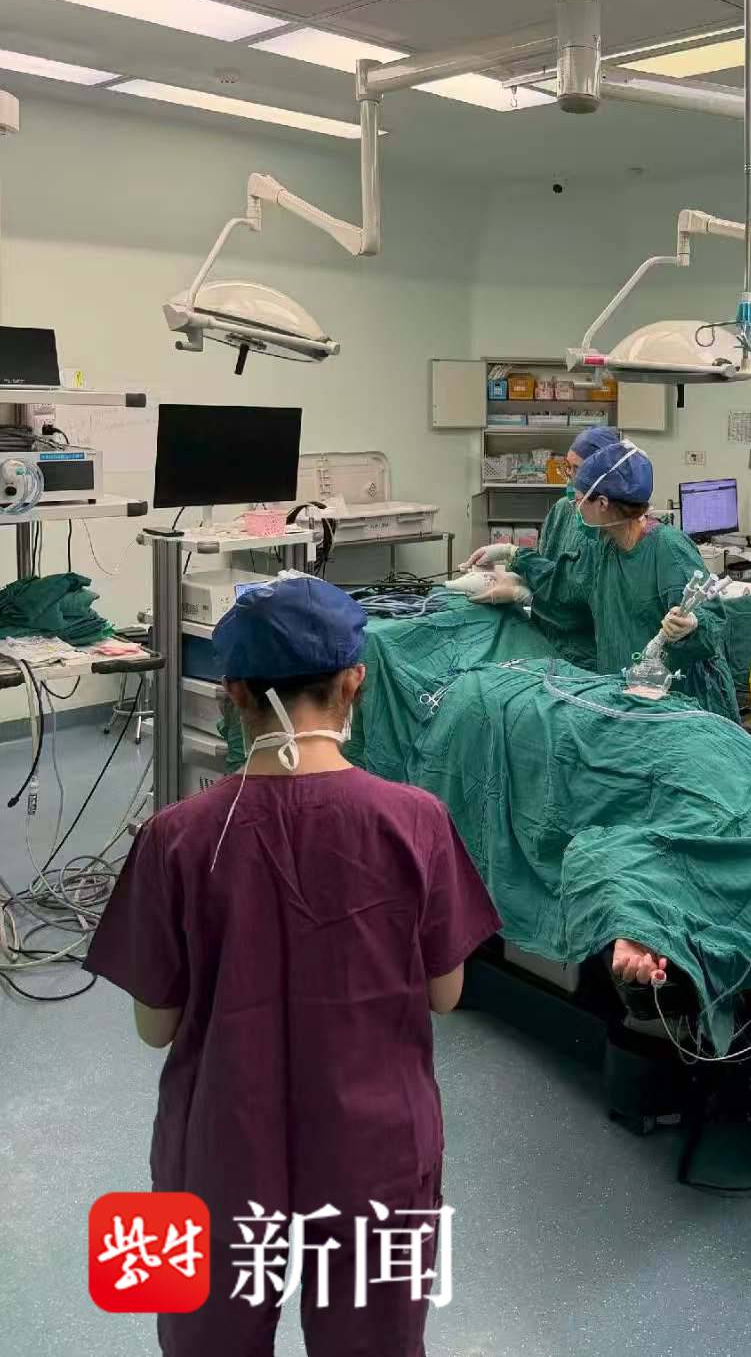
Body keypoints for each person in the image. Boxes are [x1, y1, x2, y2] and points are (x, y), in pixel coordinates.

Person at [83, 573, 500, 1357]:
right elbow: (445, 993)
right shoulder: (415, 821)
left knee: (207, 1337)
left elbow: (155, 1027)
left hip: (219, 1144)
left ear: (233, 692)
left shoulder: (176, 836)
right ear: (355, 682)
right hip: (375, 1147)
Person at [474, 440, 739, 722]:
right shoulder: (604, 546)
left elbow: (712, 622)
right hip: (628, 695)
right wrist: (515, 562)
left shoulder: (667, 549)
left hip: (682, 703)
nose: (574, 510)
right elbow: (566, 585)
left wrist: (694, 625)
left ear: (602, 503)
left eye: (578, 501)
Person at [463, 424, 621, 571]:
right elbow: (543, 567)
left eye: (577, 468)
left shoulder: (615, 523)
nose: (570, 475)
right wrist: (505, 568)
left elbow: (580, 582)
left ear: (603, 474)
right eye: (568, 466)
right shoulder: (562, 509)